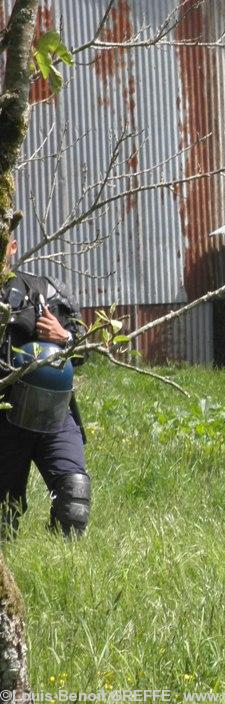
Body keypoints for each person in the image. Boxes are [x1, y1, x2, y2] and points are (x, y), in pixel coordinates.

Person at [0, 230, 91, 538]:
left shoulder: (42, 291)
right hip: (5, 417)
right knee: (3, 516)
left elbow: (84, 351)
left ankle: (65, 565)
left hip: (54, 413)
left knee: (74, 496)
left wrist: (64, 338)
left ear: (13, 246)